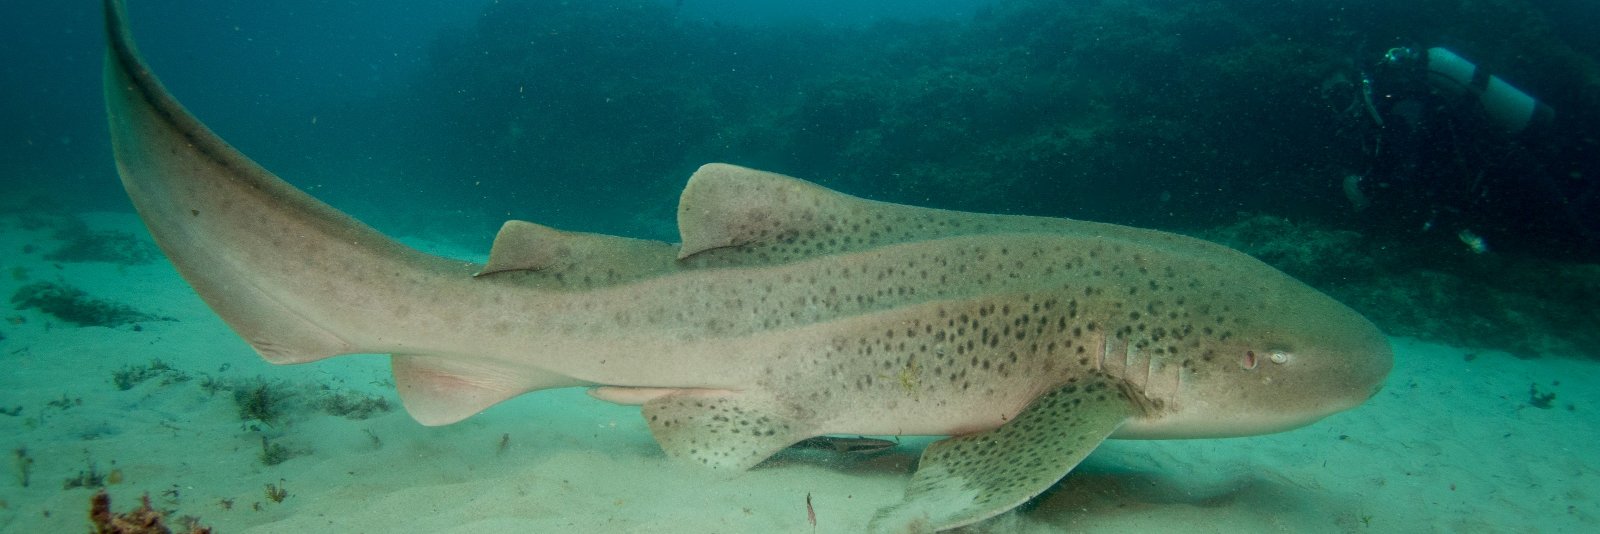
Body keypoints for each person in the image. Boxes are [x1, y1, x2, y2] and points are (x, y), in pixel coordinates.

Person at [1350, 46, 1599, 259]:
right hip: (1513, 162)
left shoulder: (1400, 108)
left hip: (1504, 176)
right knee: (1572, 221)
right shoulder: (1425, 96)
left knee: (1575, 239)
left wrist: (1364, 186)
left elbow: (1407, 170)